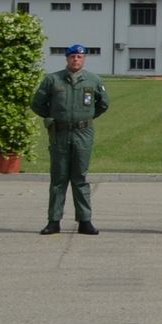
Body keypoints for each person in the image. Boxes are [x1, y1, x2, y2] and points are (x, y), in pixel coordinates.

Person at [31, 43, 109, 235]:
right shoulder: (53, 80)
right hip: (60, 133)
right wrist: (54, 117)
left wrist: (85, 118)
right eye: (72, 56)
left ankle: (85, 220)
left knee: (80, 177)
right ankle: (54, 220)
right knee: (58, 178)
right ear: (67, 59)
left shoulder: (93, 80)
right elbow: (37, 104)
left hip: (83, 133)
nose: (76, 60)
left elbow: (103, 104)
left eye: (79, 57)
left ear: (84, 59)